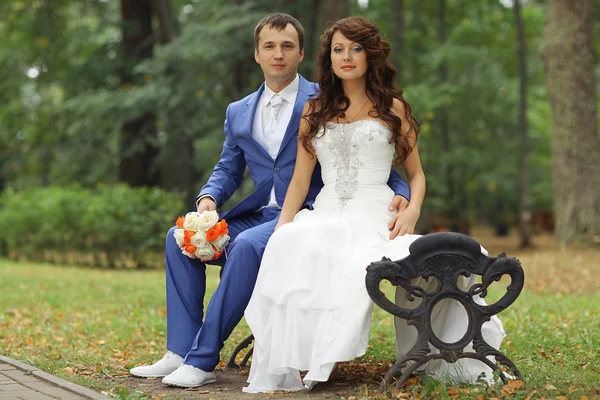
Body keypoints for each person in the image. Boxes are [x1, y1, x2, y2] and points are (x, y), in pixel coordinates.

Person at [129, 13, 412, 388]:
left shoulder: (329, 98)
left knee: (245, 247)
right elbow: (228, 167)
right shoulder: (238, 111)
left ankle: (202, 360)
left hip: (309, 214)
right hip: (258, 212)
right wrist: (208, 199)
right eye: (269, 46)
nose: (278, 54)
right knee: (176, 239)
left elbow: (378, 165)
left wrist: (403, 199)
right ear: (257, 54)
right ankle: (179, 352)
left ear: (301, 54)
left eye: (287, 46)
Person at [242, 17, 506, 393]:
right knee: (292, 242)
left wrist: (412, 210)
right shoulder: (314, 109)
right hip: (328, 208)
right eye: (338, 50)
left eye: (355, 48)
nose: (346, 57)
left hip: (374, 211)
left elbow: (416, 175)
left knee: (362, 254)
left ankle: (424, 349)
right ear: (329, 59)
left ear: (370, 55)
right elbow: (301, 180)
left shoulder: (393, 108)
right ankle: (310, 357)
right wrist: (284, 224)